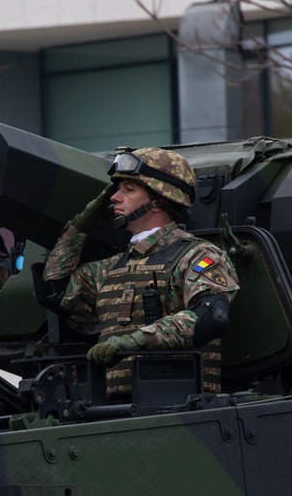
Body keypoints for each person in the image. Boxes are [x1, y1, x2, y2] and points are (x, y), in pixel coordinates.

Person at [41, 146, 239, 401]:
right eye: (117, 189)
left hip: (183, 408)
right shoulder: (111, 267)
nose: (114, 198)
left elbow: (212, 315)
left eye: (129, 189)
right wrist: (79, 227)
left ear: (159, 200)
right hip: (116, 409)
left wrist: (136, 340)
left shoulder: (197, 256)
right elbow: (55, 289)